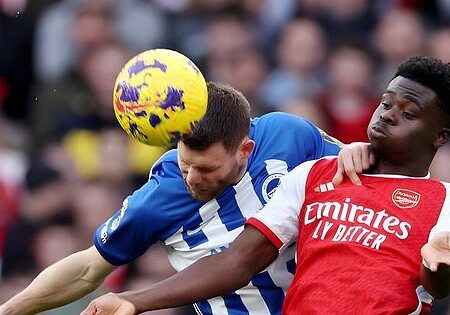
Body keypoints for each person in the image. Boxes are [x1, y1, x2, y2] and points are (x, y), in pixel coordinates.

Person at [79, 55, 450, 315]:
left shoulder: (444, 202)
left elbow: (438, 287)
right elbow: (237, 260)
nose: (388, 114)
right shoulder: (316, 174)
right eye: (386, 102)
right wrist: (135, 300)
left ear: (440, 135)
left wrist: (441, 265)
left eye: (408, 112)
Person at [0, 81, 370, 315]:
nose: (192, 178)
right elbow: (87, 268)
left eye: (207, 169)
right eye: (185, 163)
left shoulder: (290, 136)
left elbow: (361, 170)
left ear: (246, 149)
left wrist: (363, 154)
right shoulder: (161, 194)